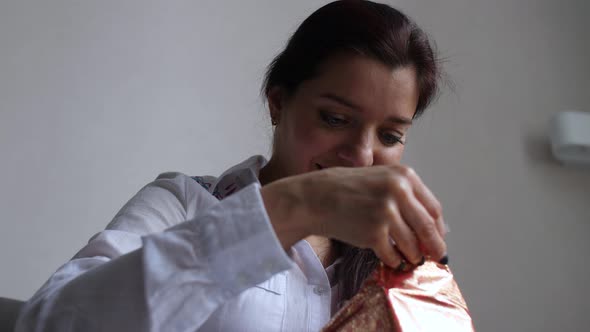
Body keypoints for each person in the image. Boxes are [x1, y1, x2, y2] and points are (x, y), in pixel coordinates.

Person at [16, 1, 449, 331]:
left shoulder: (400, 267)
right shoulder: (185, 205)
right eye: (334, 119)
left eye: (390, 136)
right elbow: (49, 322)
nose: (360, 157)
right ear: (278, 101)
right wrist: (296, 207)